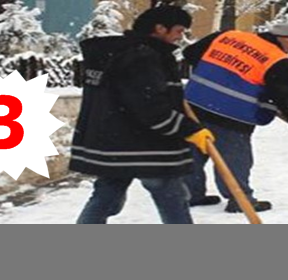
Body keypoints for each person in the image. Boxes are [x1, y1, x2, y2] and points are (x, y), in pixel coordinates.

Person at [71, 7, 214, 224]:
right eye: (178, 30)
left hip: (113, 145)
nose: (180, 36)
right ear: (159, 28)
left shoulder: (120, 53)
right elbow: (150, 107)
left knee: (106, 196)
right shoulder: (143, 57)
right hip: (146, 147)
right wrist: (190, 130)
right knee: (171, 197)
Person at [182, 23, 288, 213]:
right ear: (281, 37)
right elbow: (285, 97)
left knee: (193, 152)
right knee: (233, 158)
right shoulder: (278, 60)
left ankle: (189, 194)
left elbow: (190, 54)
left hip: (193, 104)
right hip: (232, 115)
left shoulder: (228, 37)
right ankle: (240, 200)